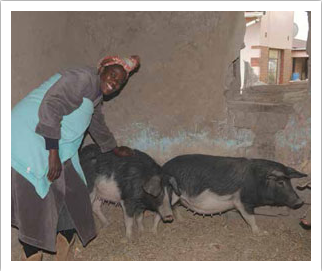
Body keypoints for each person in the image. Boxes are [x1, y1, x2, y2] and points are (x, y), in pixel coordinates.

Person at [11, 55, 140, 261]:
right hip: (28, 138)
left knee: (74, 191)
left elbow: (96, 121)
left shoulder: (95, 93)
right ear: (101, 69)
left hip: (51, 141)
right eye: (113, 75)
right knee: (33, 201)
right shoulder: (82, 78)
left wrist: (113, 148)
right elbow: (52, 105)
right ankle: (32, 256)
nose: (115, 82)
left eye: (120, 81)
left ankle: (64, 245)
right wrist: (52, 151)